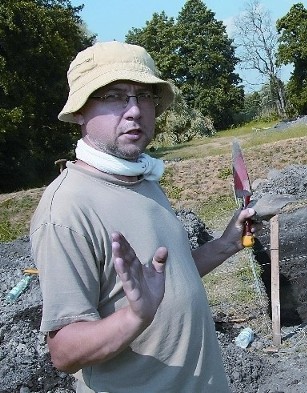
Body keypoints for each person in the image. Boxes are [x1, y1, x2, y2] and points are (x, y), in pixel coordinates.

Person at [29, 41, 256, 392]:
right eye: (115, 96)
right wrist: (135, 317)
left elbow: (165, 281)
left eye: (143, 96)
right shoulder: (67, 210)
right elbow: (64, 351)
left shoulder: (141, 179)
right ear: (79, 112)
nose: (134, 110)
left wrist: (227, 244)